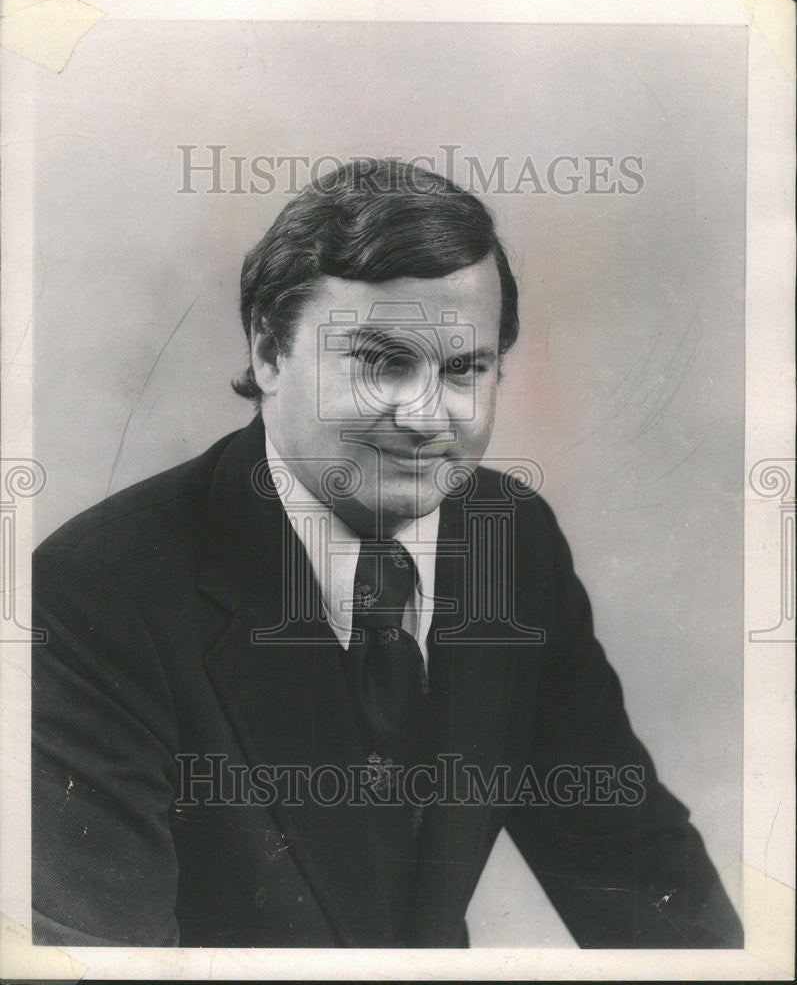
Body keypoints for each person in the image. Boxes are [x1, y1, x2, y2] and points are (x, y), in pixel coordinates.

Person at [31, 159, 743, 949]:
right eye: (379, 363)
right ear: (268, 352)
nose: (425, 417)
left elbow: (644, 879)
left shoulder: (510, 540)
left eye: (464, 368)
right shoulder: (97, 593)